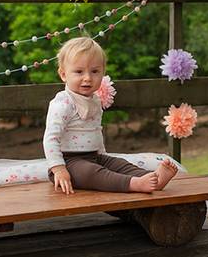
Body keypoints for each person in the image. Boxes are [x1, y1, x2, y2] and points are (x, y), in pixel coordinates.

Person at [43, 36, 178, 195]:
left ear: (103, 73)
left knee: (118, 164)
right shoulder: (63, 103)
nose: (87, 78)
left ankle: (154, 178)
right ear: (64, 74)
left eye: (95, 71)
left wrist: (103, 155)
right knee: (91, 173)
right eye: (79, 72)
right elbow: (51, 138)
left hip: (94, 156)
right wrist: (58, 169)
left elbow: (96, 130)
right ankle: (133, 184)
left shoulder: (94, 100)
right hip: (68, 163)